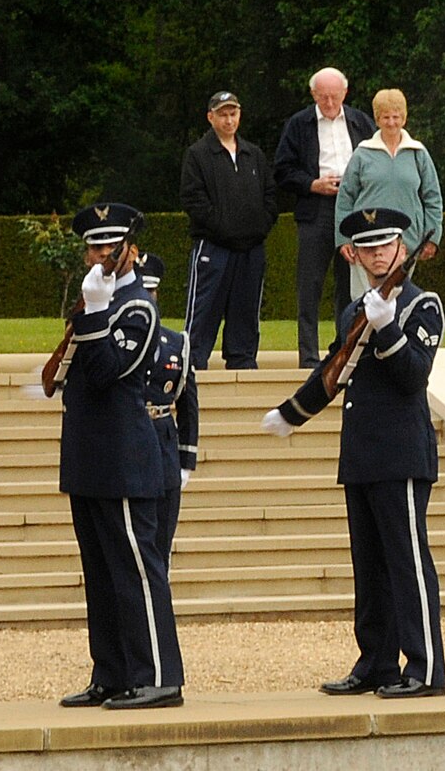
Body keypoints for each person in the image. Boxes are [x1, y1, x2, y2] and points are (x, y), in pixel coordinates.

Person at [261, 207, 445, 699]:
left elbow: (413, 376)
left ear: (402, 249)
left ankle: (426, 668)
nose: (378, 254)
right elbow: (334, 371)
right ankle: (377, 662)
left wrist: (386, 330)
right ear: (355, 255)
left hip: (403, 453)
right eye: (368, 247)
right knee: (370, 567)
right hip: (362, 452)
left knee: (407, 563)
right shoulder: (352, 310)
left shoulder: (422, 306)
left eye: (386, 245)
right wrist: (292, 413)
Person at [54, 203, 185, 711]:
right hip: (89, 455)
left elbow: (110, 369)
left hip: (126, 456)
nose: (100, 256)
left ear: (130, 251)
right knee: (102, 572)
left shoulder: (137, 306)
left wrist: (93, 313)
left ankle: (157, 674)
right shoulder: (100, 300)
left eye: (109, 247)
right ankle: (111, 673)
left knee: (136, 568)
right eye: (93, 247)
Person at [276, 67, 376, 368]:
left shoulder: (360, 122)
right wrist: (312, 184)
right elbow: (281, 169)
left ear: (345, 94)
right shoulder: (299, 124)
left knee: (350, 286)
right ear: (313, 95)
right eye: (323, 97)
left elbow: (377, 159)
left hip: (354, 211)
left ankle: (344, 352)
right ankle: (308, 357)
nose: (329, 102)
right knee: (310, 285)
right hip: (315, 209)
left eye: (334, 96)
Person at [181, 91, 276, 370]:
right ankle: (193, 363)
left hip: (251, 250)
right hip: (213, 247)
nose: (228, 119)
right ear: (211, 117)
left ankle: (242, 361)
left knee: (246, 310)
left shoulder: (253, 154)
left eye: (233, 113)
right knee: (204, 308)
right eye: (222, 114)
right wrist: (223, 227)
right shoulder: (198, 154)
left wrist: (259, 227)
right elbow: (192, 199)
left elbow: (270, 196)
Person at [334, 88, 443, 297]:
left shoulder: (418, 152)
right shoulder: (362, 153)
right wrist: (343, 239)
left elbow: (433, 197)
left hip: (406, 242)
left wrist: (432, 237)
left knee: (400, 300)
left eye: (396, 117)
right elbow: (345, 197)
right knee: (364, 301)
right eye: (386, 117)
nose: (391, 122)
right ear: (377, 119)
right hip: (365, 240)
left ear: (404, 118)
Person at [136, 253, 199, 568]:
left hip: (162, 440)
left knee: (162, 538)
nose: (147, 299)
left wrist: (186, 459)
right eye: (141, 291)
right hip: (131, 437)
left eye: (152, 292)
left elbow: (188, 404)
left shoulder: (175, 343)